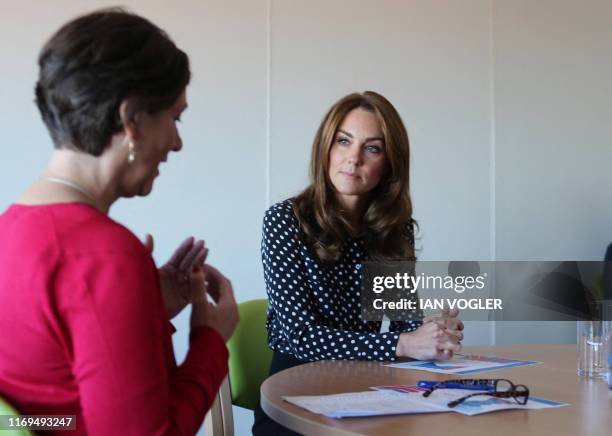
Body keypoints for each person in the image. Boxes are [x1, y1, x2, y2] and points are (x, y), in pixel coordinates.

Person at [0, 9, 238, 435]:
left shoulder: (11, 229)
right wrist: (210, 342)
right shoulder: (104, 256)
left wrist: (148, 311)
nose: (178, 142)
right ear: (131, 120)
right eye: (174, 117)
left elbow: (51, 408)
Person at [253, 91, 463, 435]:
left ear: (390, 163)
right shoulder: (285, 220)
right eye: (343, 141)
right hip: (295, 397)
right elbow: (298, 336)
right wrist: (405, 343)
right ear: (326, 147)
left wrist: (433, 333)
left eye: (372, 148)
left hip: (367, 394)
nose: (353, 159)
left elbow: (401, 325)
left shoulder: (394, 229)